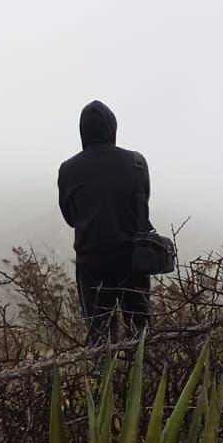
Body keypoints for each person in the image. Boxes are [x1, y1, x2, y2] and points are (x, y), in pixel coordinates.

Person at [57, 100, 153, 342]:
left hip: (92, 265)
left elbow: (70, 218)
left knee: (100, 339)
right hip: (134, 262)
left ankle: (104, 368)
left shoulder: (68, 169)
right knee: (140, 336)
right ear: (112, 128)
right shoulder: (137, 163)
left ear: (82, 131)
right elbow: (142, 206)